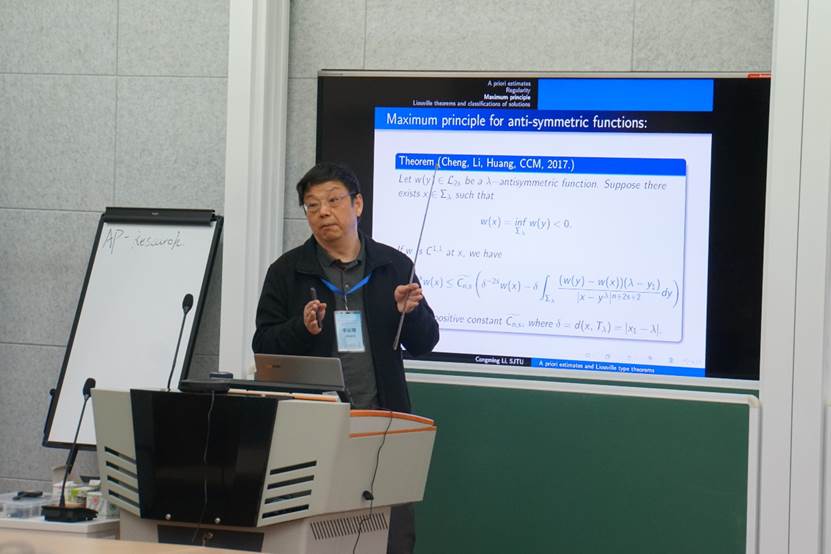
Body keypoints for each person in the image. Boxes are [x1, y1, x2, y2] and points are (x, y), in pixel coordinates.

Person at [252, 161, 439, 554]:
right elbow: (263, 347)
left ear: (357, 205)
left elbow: (426, 342)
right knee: (316, 539)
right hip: (313, 432)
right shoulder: (288, 273)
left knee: (391, 538)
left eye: (333, 200)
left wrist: (411, 313)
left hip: (382, 426)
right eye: (312, 205)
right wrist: (302, 328)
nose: (323, 212)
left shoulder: (393, 266)